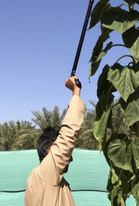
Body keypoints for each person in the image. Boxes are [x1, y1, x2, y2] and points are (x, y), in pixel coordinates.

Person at [24, 76, 86, 206]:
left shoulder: (36, 177)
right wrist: (76, 91)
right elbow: (68, 135)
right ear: (50, 151)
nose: (70, 159)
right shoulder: (47, 173)